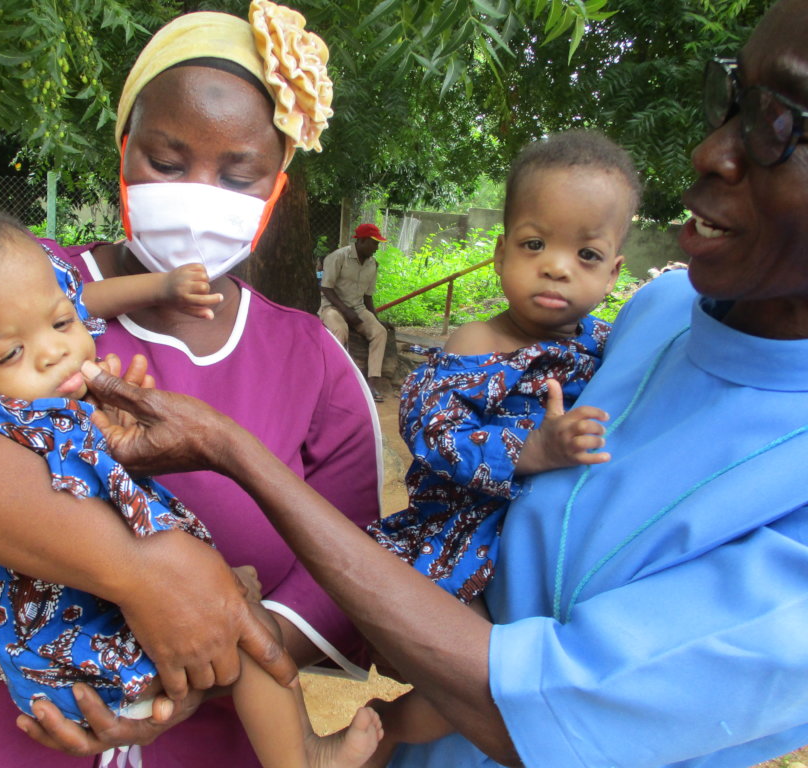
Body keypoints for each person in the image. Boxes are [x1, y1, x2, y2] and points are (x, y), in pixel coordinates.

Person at [71, 1, 808, 765]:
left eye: (782, 123)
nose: (711, 151)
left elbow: (529, 703)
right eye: (731, 97)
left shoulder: (318, 360)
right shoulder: (659, 313)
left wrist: (231, 502)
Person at [0, 2, 382, 766]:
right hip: (1, 729)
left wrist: (212, 648)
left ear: (278, 183)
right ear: (123, 147)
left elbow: (351, 563)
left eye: (238, 174)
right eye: (167, 162)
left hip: (211, 736)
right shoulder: (3, 282)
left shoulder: (315, 363)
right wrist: (142, 573)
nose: (198, 192)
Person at [0, 201, 382, 767]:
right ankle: (300, 757)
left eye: (61, 324)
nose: (53, 352)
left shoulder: (34, 370)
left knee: (234, 613)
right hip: (73, 625)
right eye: (11, 353)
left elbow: (83, 296)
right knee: (236, 619)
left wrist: (160, 288)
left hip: (95, 646)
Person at [363, 129, 639, 763]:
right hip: (466, 533)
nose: (557, 266)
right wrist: (528, 450)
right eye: (535, 244)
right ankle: (380, 731)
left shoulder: (609, 347)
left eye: (587, 254)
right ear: (499, 251)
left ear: (613, 273)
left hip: (551, 552)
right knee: (468, 685)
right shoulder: (477, 342)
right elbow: (429, 428)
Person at [319, 222, 390, 402]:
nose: (376, 247)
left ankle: (371, 384)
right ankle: (334, 381)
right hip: (332, 307)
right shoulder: (338, 257)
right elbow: (326, 288)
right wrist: (346, 311)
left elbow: (368, 296)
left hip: (358, 308)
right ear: (362, 240)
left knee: (380, 332)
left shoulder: (372, 264)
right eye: (374, 243)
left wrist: (376, 319)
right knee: (339, 330)